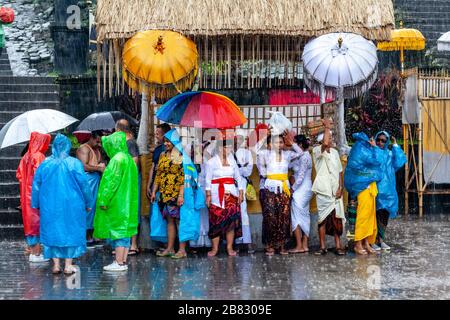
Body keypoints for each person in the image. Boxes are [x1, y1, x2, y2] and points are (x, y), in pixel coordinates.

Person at [31, 134, 92, 275]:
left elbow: (36, 185)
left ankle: (56, 265)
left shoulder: (45, 163)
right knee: (71, 231)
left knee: (52, 231)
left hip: (49, 204)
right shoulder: (74, 163)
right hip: (72, 203)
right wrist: (88, 202)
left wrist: (36, 203)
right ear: (68, 146)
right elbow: (84, 184)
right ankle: (68, 264)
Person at [151, 128, 201, 259]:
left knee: (181, 221)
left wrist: (180, 195)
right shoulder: (162, 155)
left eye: (169, 142)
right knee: (169, 220)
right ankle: (170, 248)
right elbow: (159, 174)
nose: (166, 144)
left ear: (175, 142)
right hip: (164, 194)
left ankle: (182, 249)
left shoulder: (180, 156)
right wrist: (154, 190)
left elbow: (184, 177)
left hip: (176, 194)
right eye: (165, 141)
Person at [94, 131, 139, 272]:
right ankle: (123, 261)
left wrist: (104, 200)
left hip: (118, 203)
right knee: (125, 232)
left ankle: (118, 262)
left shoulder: (117, 160)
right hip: (128, 202)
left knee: (118, 232)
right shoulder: (127, 158)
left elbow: (110, 183)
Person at [257, 132, 303, 256]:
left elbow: (301, 153)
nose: (279, 145)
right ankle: (270, 246)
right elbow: (255, 149)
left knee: (284, 217)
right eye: (276, 142)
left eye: (281, 142)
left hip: (284, 188)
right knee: (270, 217)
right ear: (271, 144)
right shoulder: (266, 154)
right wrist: (264, 136)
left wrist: (291, 142)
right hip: (270, 188)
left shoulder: (287, 155)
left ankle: (282, 246)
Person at [344, 132, 383, 255]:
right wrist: (374, 147)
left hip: (369, 187)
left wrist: (373, 147)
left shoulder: (363, 149)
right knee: (363, 217)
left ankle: (366, 243)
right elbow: (377, 161)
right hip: (363, 188)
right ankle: (358, 244)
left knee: (370, 217)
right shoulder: (361, 150)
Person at [311, 121, 346, 256]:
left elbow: (339, 172)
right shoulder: (316, 151)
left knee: (337, 219)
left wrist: (341, 187)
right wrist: (326, 127)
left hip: (336, 191)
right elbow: (324, 144)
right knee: (322, 220)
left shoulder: (335, 153)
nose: (331, 140)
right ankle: (322, 247)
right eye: (329, 137)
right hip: (323, 191)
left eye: (331, 137)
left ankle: (338, 246)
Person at [205, 138, 244, 257]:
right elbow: (208, 180)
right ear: (219, 148)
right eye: (226, 147)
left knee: (231, 222)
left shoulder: (232, 161)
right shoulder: (211, 162)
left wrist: (241, 193)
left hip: (231, 195)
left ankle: (229, 247)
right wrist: (208, 196)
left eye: (229, 147)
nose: (228, 150)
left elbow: (238, 178)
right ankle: (215, 248)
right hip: (216, 196)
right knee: (216, 221)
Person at [16, 132, 51, 263]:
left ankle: (33, 251)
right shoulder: (39, 156)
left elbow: (19, 175)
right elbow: (41, 176)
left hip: (26, 195)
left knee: (31, 224)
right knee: (38, 223)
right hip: (37, 195)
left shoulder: (25, 156)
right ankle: (36, 254)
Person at [372, 131, 406, 251]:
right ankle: (373, 241)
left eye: (383, 140)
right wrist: (374, 147)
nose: (380, 142)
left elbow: (400, 161)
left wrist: (396, 145)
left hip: (389, 191)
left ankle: (380, 240)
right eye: (378, 140)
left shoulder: (390, 154)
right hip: (376, 190)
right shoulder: (373, 152)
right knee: (374, 216)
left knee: (384, 216)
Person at [115, 119, 140, 255]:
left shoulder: (130, 143)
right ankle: (123, 246)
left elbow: (134, 161)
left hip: (130, 181)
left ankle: (133, 244)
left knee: (130, 211)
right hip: (127, 181)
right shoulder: (126, 142)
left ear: (119, 130)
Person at [76, 131, 105, 247]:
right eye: (97, 141)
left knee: (96, 208)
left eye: (100, 141)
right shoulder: (84, 149)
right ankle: (86, 236)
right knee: (88, 208)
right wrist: (98, 168)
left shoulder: (97, 149)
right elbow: (83, 166)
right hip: (88, 182)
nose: (99, 143)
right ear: (92, 138)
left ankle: (93, 234)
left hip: (96, 180)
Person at [289, 135, 313, 254]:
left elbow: (301, 177)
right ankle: (304, 244)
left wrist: (292, 189)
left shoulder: (305, 156)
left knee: (296, 216)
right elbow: (289, 166)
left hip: (302, 189)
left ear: (300, 145)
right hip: (304, 189)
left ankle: (299, 245)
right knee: (304, 215)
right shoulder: (300, 156)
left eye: (294, 144)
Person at [233, 134, 254, 252]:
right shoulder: (229, 153)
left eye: (241, 139)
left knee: (243, 212)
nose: (239, 142)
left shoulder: (248, 153)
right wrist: (240, 169)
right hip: (231, 185)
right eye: (236, 140)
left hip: (241, 185)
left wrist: (237, 169)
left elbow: (248, 172)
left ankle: (246, 241)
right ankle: (235, 242)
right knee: (233, 213)